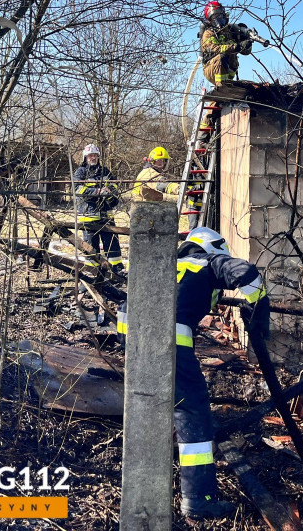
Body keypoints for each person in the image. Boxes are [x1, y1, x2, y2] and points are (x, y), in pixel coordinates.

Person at [117, 227, 270, 519]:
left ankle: (147, 487)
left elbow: (126, 306)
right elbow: (249, 275)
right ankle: (199, 499)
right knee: (192, 413)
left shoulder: (161, 264)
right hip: (171, 344)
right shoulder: (207, 262)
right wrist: (257, 317)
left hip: (134, 344)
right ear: (212, 248)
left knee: (153, 408)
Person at [72, 144, 124, 277]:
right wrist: (97, 191)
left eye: (95, 155)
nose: (93, 157)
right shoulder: (81, 172)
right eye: (90, 155)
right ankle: (92, 273)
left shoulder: (105, 171)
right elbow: (78, 190)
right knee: (90, 248)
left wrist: (110, 195)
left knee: (112, 244)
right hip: (88, 216)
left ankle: (117, 270)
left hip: (106, 216)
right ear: (85, 157)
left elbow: (114, 187)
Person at [199, 1, 254, 87]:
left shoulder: (230, 32)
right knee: (221, 56)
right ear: (210, 19)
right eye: (215, 16)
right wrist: (237, 47)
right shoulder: (208, 33)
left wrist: (246, 42)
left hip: (228, 69)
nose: (219, 18)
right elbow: (214, 49)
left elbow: (246, 52)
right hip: (211, 68)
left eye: (220, 15)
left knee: (231, 54)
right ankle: (221, 85)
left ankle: (229, 83)